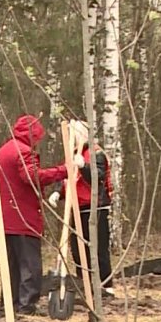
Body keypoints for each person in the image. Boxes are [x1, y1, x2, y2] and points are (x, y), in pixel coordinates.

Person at [0, 114, 68, 314]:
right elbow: (32, 176)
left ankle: (9, 304)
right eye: (37, 137)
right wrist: (63, 170)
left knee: (12, 265)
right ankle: (26, 305)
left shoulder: (4, 149)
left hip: (6, 217)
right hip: (23, 218)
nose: (38, 141)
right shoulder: (23, 151)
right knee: (29, 265)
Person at [50, 119, 115, 296]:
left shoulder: (97, 154)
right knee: (78, 249)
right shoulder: (71, 155)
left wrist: (84, 166)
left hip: (96, 208)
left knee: (98, 247)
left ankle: (106, 285)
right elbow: (65, 178)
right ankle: (84, 283)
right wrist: (58, 192)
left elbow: (98, 178)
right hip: (76, 208)